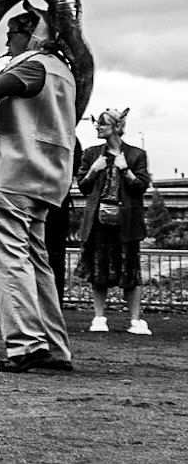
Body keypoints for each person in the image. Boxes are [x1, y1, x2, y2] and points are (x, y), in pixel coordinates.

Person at [0, 4, 80, 373]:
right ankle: (55, 348)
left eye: (12, 33)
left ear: (29, 35)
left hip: (15, 174)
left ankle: (25, 344)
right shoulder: (63, 72)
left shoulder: (33, 64)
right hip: (47, 178)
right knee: (37, 264)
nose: (7, 41)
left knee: (7, 261)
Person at [77, 109, 152, 336]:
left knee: (131, 269)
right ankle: (99, 317)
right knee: (98, 268)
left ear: (116, 127)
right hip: (98, 220)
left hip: (126, 221)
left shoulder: (136, 154)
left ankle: (135, 319)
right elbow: (83, 186)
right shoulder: (91, 154)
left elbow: (141, 186)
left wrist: (125, 169)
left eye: (102, 124)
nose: (98, 128)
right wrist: (92, 170)